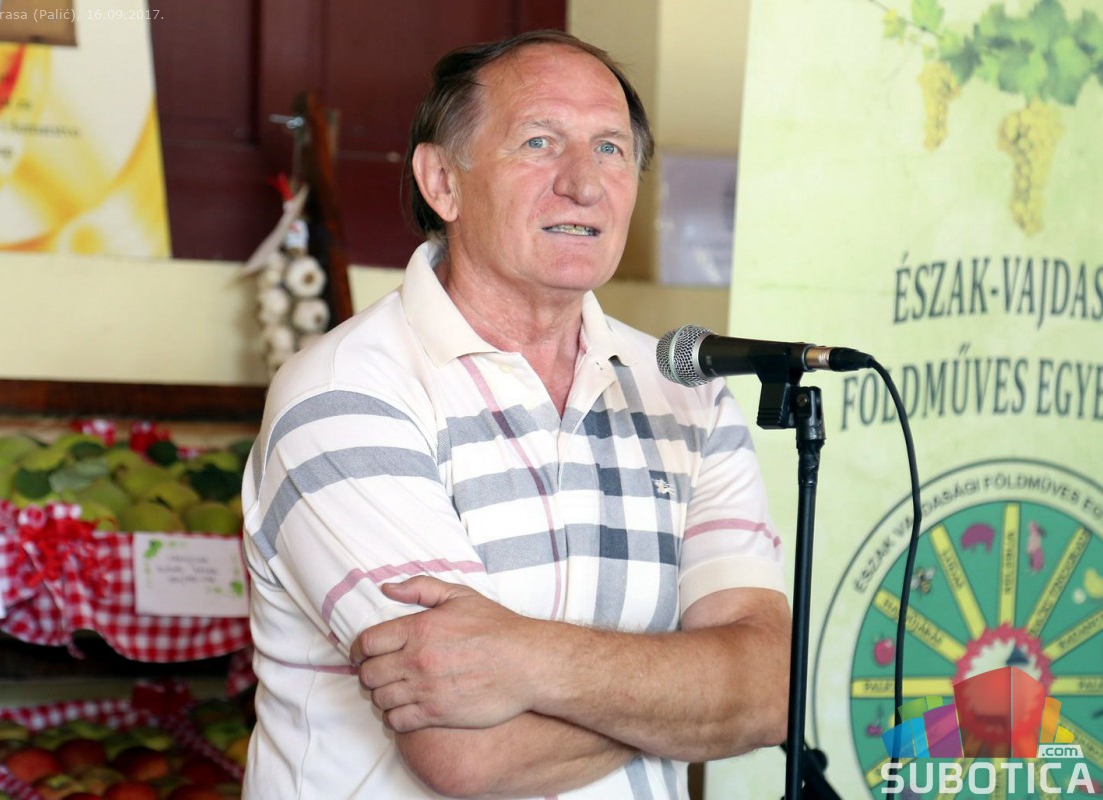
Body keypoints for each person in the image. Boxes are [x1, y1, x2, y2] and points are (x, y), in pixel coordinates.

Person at [240, 29, 791, 799]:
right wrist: (691, 692)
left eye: (610, 149)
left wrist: (527, 661)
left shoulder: (686, 390)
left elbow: (770, 689)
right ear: (443, 182)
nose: (585, 184)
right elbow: (470, 753)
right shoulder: (345, 395)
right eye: (539, 142)